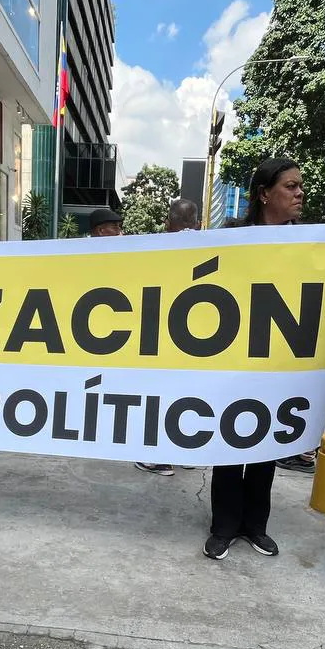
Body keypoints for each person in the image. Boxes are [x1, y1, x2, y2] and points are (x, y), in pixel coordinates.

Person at [205, 159, 304, 561]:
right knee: (230, 440)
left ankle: (255, 525)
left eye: (301, 187)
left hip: (280, 359)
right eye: (290, 186)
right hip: (233, 354)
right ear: (264, 194)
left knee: (265, 443)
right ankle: (224, 525)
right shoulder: (232, 236)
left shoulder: (315, 242)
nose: (299, 194)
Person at [137, 199, 200, 477]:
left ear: (167, 221)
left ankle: (159, 458)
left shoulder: (156, 249)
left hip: (159, 338)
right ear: (196, 223)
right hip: (197, 339)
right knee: (189, 393)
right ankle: (187, 451)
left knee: (158, 395)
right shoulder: (213, 248)